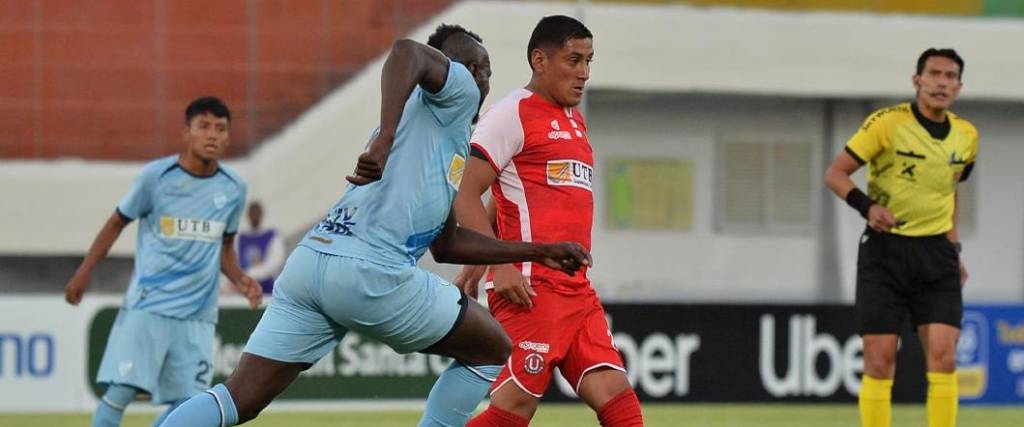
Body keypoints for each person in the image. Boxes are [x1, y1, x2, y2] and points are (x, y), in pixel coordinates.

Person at [159, 25, 592, 427]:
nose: (485, 82)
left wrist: (538, 250)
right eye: (483, 71)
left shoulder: (436, 142)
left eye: (487, 73)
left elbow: (448, 245)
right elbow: (406, 51)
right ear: (463, 71)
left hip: (311, 265)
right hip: (369, 273)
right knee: (492, 349)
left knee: (238, 400)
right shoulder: (456, 93)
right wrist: (384, 137)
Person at [456, 15, 644, 427]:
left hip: (576, 291)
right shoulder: (511, 113)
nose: (584, 73)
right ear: (539, 60)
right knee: (514, 409)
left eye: (589, 61)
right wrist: (500, 265)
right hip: (529, 288)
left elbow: (504, 200)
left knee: (618, 399)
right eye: (573, 60)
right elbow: (466, 191)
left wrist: (476, 265)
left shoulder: (575, 121)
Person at [63, 96, 263, 427]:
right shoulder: (155, 178)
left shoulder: (233, 189)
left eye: (220, 129)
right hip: (149, 305)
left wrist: (241, 278)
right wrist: (83, 272)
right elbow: (116, 222)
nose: (212, 135)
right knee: (121, 391)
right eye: (204, 127)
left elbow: (224, 247)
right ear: (186, 132)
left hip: (198, 314)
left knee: (188, 405)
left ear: (228, 137)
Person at [824, 48, 976, 427]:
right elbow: (836, 174)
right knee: (879, 361)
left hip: (936, 256)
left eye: (950, 76)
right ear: (917, 80)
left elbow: (950, 192)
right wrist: (868, 207)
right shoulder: (886, 124)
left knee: (944, 358)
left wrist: (954, 249)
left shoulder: (967, 136)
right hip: (885, 254)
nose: (942, 82)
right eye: (934, 74)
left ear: (959, 85)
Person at [237, 201, 285, 295]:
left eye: (257, 213)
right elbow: (234, 261)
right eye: (252, 213)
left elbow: (275, 262)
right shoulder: (240, 238)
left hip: (267, 290)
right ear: (248, 215)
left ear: (261, 214)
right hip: (244, 291)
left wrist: (251, 274)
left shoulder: (272, 236)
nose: (255, 216)